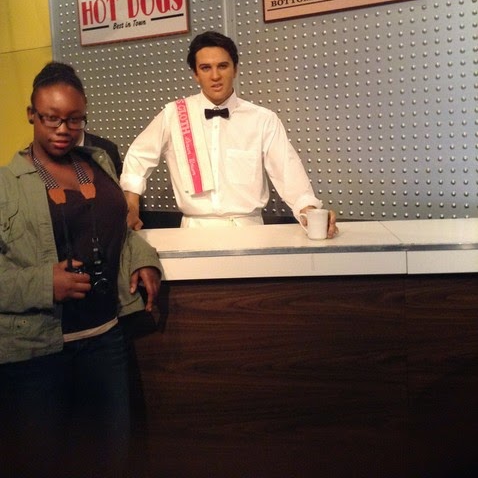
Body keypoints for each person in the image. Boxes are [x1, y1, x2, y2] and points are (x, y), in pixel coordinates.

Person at [0, 61, 161, 478]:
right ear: (31, 114)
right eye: (51, 118)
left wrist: (143, 257)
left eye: (74, 119)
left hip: (106, 339)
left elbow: (118, 229)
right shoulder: (6, 184)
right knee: (40, 462)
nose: (63, 129)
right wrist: (44, 282)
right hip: (38, 353)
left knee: (110, 458)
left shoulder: (98, 162)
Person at [120, 30, 337, 235]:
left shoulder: (263, 119)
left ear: (235, 69)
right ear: (195, 74)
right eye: (206, 68)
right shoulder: (174, 115)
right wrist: (131, 204)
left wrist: (310, 212)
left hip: (250, 232)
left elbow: (288, 173)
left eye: (222, 66)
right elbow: (138, 156)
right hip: (193, 232)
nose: (215, 76)